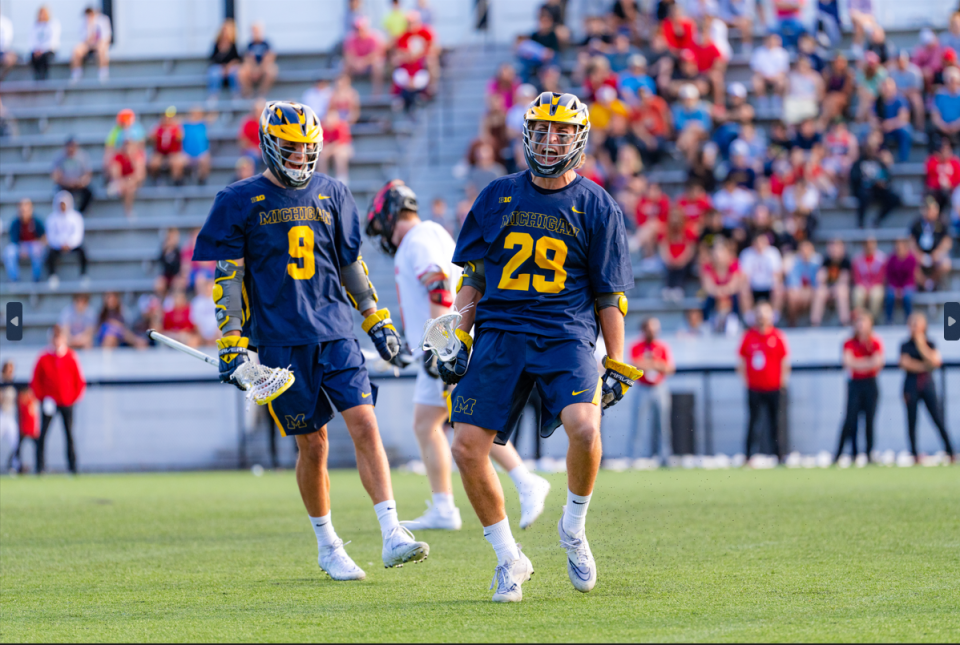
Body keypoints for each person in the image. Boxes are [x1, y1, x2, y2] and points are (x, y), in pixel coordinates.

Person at [192, 100, 429, 581]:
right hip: (281, 341)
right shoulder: (239, 199)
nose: (301, 156)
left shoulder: (334, 193)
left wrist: (375, 320)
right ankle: (328, 544)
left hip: (336, 331)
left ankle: (391, 533)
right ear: (269, 144)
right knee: (314, 445)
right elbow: (229, 278)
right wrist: (233, 341)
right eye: (291, 148)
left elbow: (350, 268)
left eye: (307, 148)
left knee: (365, 424)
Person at [439, 92, 639, 602]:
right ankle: (510, 558)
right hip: (501, 329)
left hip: (564, 331)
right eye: (542, 130)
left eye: (561, 132)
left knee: (585, 427)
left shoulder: (597, 205)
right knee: (465, 446)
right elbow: (475, 278)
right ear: (528, 134)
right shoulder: (497, 195)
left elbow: (608, 294)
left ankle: (573, 527)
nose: (550, 141)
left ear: (579, 139)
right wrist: (458, 332)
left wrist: (615, 358)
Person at [364, 180, 550, 531]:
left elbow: (437, 283)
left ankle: (526, 481)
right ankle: (444, 506)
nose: (382, 235)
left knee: (467, 423)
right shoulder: (428, 235)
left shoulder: (416, 240)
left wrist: (442, 344)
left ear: (389, 215)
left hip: (448, 347)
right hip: (443, 344)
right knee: (426, 423)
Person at [738, 302, 790, 464]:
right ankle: (748, 456)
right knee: (753, 422)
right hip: (754, 388)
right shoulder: (749, 336)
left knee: (776, 423)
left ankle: (779, 456)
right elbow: (741, 360)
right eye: (759, 313)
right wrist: (746, 382)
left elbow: (785, 361)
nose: (762, 316)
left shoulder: (777, 336)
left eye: (765, 313)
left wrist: (782, 382)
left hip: (774, 388)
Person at [899, 313, 955, 463]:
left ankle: (951, 452)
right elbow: (905, 363)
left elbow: (936, 361)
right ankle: (915, 454)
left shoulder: (930, 343)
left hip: (927, 385)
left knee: (938, 418)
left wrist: (921, 345)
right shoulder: (905, 345)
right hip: (911, 386)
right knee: (912, 421)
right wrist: (924, 366)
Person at [31, 325, 86, 474]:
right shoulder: (43, 358)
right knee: (42, 435)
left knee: (69, 435)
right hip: (49, 402)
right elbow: (36, 381)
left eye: (58, 337)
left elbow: (79, 381)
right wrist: (43, 398)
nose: (56, 341)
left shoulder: (70, 356)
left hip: (66, 402)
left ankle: (72, 467)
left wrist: (72, 398)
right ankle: (40, 467)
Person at [834, 311, 883, 465]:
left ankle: (869, 454)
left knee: (869, 421)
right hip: (855, 384)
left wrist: (859, 363)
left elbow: (877, 362)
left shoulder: (875, 342)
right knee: (850, 420)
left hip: (870, 383)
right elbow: (848, 362)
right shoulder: (849, 342)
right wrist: (866, 363)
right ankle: (842, 454)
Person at [628, 318, 675, 467]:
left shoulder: (662, 346)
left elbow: (670, 368)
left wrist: (652, 364)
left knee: (664, 425)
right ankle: (634, 458)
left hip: (659, 387)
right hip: (642, 388)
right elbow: (635, 365)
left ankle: (665, 458)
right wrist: (655, 364)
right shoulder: (636, 346)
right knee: (638, 425)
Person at [850, 130, 900, 228]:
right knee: (864, 195)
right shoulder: (859, 162)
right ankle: (860, 222)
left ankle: (878, 220)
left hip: (878, 190)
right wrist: (870, 181)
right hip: (865, 190)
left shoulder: (879, 162)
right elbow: (854, 179)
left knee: (895, 198)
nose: (872, 150)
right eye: (870, 148)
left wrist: (883, 183)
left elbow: (887, 178)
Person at [909, 198, 953, 292]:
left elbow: (947, 241)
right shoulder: (917, 224)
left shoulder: (941, 223)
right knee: (909, 263)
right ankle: (924, 283)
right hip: (921, 255)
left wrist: (937, 253)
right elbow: (911, 242)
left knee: (945, 264)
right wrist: (919, 255)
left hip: (935, 255)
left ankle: (932, 282)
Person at [44, 191, 86, 287]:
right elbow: (51, 236)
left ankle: (83, 275)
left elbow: (78, 235)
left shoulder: (76, 217)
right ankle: (52, 276)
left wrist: (69, 243)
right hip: (58, 245)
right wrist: (60, 243)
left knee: (82, 251)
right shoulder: (51, 218)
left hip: (72, 245)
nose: (63, 207)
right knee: (49, 253)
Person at [739, 232, 784, 316]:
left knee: (779, 289)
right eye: (757, 242)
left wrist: (776, 284)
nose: (760, 245)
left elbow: (777, 273)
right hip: (753, 285)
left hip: (769, 285)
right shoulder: (746, 254)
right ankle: (749, 319)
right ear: (753, 243)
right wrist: (746, 286)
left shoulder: (773, 253)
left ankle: (774, 318)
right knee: (743, 290)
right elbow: (744, 275)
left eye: (762, 242)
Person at [3, 198, 46, 283]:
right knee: (9, 252)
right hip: (20, 246)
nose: (24, 213)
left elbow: (44, 237)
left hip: (34, 246)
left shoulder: (36, 221)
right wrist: (22, 249)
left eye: (26, 210)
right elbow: (14, 240)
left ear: (31, 210)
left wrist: (39, 244)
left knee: (37, 249)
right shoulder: (15, 223)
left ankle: (36, 278)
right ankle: (14, 278)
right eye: (22, 210)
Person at [811, 238, 851, 326]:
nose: (834, 250)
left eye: (837, 247)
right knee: (820, 292)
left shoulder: (846, 261)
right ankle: (814, 322)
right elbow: (820, 278)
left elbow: (844, 280)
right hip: (828, 289)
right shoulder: (826, 261)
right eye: (832, 247)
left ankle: (844, 321)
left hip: (842, 289)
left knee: (841, 291)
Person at [343, 17, 386, 96]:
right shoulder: (351, 38)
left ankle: (377, 94)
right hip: (356, 64)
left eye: (361, 29)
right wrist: (356, 62)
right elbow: (348, 55)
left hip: (369, 63)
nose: (359, 31)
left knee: (378, 66)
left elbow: (376, 54)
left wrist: (363, 62)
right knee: (344, 66)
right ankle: (344, 93)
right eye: (357, 29)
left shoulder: (374, 37)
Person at [874, 77, 912, 163]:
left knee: (906, 131)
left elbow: (904, 118)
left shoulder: (900, 99)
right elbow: (873, 117)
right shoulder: (878, 101)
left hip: (897, 127)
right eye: (884, 86)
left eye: (888, 85)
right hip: (882, 129)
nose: (886, 88)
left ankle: (903, 160)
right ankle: (879, 160)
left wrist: (890, 124)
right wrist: (880, 125)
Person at [750, 33, 790, 115]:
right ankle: (762, 103)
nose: (771, 42)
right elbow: (756, 69)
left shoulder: (782, 53)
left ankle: (777, 102)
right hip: (763, 77)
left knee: (783, 82)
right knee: (755, 81)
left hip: (777, 78)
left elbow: (783, 70)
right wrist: (765, 76)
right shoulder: (758, 52)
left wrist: (774, 77)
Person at [147, 106, 187, 186]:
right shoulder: (157, 127)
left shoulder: (176, 127)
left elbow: (181, 137)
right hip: (160, 152)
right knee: (154, 163)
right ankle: (156, 179)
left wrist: (174, 128)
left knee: (176, 162)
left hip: (173, 152)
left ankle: (177, 181)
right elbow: (150, 139)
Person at [70, 6, 111, 83]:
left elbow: (106, 37)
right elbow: (84, 39)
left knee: (102, 49)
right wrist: (90, 27)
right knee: (76, 50)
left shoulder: (103, 20)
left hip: (100, 44)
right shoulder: (85, 22)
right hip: (88, 45)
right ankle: (76, 73)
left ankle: (103, 74)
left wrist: (98, 43)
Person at [51, 137, 93, 213]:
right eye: (69, 146)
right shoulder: (59, 158)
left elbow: (88, 174)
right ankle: (61, 213)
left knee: (89, 193)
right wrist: (67, 182)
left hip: (79, 185)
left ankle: (80, 213)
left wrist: (80, 182)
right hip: (65, 185)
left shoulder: (83, 156)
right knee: (56, 193)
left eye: (73, 146)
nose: (71, 149)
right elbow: (55, 176)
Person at [106, 139, 145, 218]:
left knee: (130, 187)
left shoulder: (137, 156)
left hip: (132, 182)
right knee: (127, 187)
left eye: (130, 145)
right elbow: (115, 173)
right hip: (123, 181)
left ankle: (128, 211)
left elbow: (139, 175)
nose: (127, 148)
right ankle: (128, 212)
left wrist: (128, 180)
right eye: (126, 145)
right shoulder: (118, 156)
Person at [237, 22, 277, 97]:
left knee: (272, 70)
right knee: (241, 71)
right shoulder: (249, 44)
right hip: (252, 67)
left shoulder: (266, 43)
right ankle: (248, 92)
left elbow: (270, 57)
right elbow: (247, 58)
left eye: (257, 31)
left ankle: (262, 93)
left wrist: (260, 68)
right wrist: (254, 68)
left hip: (263, 66)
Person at [851, 237, 886, 321]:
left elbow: (881, 277)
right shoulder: (857, 259)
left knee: (876, 294)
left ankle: (872, 320)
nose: (869, 246)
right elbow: (856, 277)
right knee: (857, 292)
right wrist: (865, 287)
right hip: (862, 285)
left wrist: (870, 287)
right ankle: (858, 319)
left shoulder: (881, 259)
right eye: (866, 244)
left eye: (871, 244)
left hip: (876, 285)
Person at [884, 238, 916, 323]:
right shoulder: (891, 259)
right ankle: (889, 320)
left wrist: (901, 289)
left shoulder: (911, 259)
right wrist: (896, 288)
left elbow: (910, 276)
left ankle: (909, 319)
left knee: (907, 297)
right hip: (894, 285)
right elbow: (890, 275)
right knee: (890, 296)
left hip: (907, 284)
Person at [207, 19, 241, 101]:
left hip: (230, 67)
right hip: (219, 67)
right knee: (214, 72)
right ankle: (213, 95)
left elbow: (238, 59)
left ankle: (236, 95)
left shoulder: (234, 44)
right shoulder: (217, 44)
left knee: (235, 72)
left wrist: (229, 66)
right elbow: (212, 59)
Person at [925, 139, 960, 214]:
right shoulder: (933, 161)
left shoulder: (954, 162)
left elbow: (958, 180)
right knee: (933, 198)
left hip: (951, 191)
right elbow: (930, 178)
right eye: (943, 149)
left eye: (948, 149)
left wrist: (950, 185)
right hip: (936, 191)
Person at [931, 67, 960, 151]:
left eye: (953, 80)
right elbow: (935, 115)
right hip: (943, 128)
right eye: (949, 81)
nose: (951, 83)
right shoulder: (940, 95)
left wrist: (955, 126)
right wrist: (943, 126)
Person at [28, 6, 60, 81]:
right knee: (33, 57)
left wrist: (42, 50)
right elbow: (32, 40)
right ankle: (37, 77)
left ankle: (45, 78)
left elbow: (53, 40)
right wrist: (36, 50)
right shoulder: (35, 25)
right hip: (37, 51)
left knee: (44, 58)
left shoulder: (53, 24)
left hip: (48, 50)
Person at [182, 107, 211, 185]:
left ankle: (201, 180)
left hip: (201, 153)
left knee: (205, 161)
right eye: (193, 113)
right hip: (186, 154)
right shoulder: (185, 125)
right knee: (177, 162)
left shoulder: (203, 124)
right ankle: (179, 183)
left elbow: (213, 115)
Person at [0, 361, 18, 473]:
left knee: (15, 442)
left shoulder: (13, 383)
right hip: (1, 415)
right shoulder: (2, 382)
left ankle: (15, 466)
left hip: (10, 415)